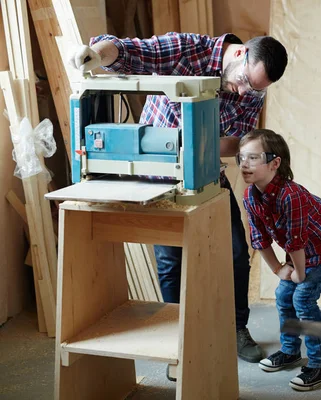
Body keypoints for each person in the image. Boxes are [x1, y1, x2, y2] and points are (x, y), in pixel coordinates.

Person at [69, 32, 288, 365]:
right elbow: (127, 49)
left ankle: (236, 328)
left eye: (255, 88)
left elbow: (238, 141)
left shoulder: (253, 87)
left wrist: (198, 143)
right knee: (172, 261)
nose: (245, 92)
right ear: (240, 53)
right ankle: (179, 339)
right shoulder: (189, 51)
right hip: (158, 177)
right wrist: (96, 55)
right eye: (245, 81)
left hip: (205, 175)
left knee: (235, 252)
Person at [239, 129, 321, 391]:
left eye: (253, 158)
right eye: (241, 158)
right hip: (298, 250)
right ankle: (290, 351)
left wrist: (298, 272)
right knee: (283, 295)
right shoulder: (250, 196)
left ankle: (320, 366)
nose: (245, 164)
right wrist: (278, 268)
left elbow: (297, 241)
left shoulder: (292, 195)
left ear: (275, 163)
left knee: (302, 297)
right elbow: (260, 239)